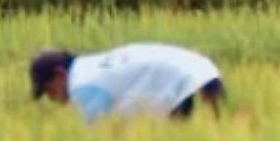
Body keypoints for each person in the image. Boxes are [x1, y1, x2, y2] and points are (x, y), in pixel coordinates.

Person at [29, 42, 225, 123]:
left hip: (177, 77)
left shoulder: (82, 86)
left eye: (49, 91)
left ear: (60, 75)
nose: (52, 98)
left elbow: (97, 137)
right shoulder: (86, 67)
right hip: (195, 66)